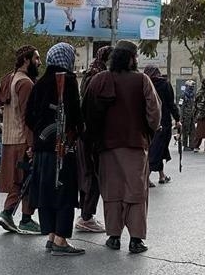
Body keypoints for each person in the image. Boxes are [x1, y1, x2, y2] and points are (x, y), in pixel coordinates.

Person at [83, 40, 160, 253]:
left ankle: (114, 237)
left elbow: (87, 110)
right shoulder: (142, 80)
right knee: (136, 193)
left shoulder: (99, 79)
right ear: (132, 58)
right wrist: (149, 132)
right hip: (135, 145)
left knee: (112, 192)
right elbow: (154, 113)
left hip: (106, 147)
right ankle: (136, 240)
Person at [26, 42, 84, 255]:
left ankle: (51, 235)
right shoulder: (67, 80)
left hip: (42, 149)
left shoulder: (40, 83)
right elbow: (75, 114)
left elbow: (29, 116)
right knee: (64, 192)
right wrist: (76, 131)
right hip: (62, 148)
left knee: (47, 192)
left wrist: (41, 134)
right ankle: (60, 239)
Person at [0, 45, 42, 234]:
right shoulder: (25, 83)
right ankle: (10, 214)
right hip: (22, 140)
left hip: (9, 138)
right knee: (23, 179)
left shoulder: (9, 78)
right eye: (36, 58)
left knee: (21, 178)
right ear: (26, 60)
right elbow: (27, 117)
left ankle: (24, 218)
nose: (39, 62)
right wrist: (32, 144)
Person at [74, 46, 112, 233]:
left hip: (84, 132)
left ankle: (85, 213)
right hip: (92, 133)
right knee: (94, 176)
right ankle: (86, 216)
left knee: (87, 174)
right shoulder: (100, 75)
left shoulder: (91, 72)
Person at [144, 66, 180, 185]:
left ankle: (162, 175)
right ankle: (146, 178)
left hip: (148, 122)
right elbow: (170, 104)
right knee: (157, 149)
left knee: (159, 148)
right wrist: (177, 118)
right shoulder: (164, 84)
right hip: (163, 122)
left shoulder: (145, 84)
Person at [178, 80, 196, 149]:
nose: (192, 88)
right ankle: (185, 145)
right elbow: (181, 106)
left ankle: (192, 145)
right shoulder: (183, 95)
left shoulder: (193, 95)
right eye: (191, 87)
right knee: (185, 131)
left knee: (192, 131)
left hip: (192, 115)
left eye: (193, 87)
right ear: (187, 87)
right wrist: (181, 117)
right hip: (185, 116)